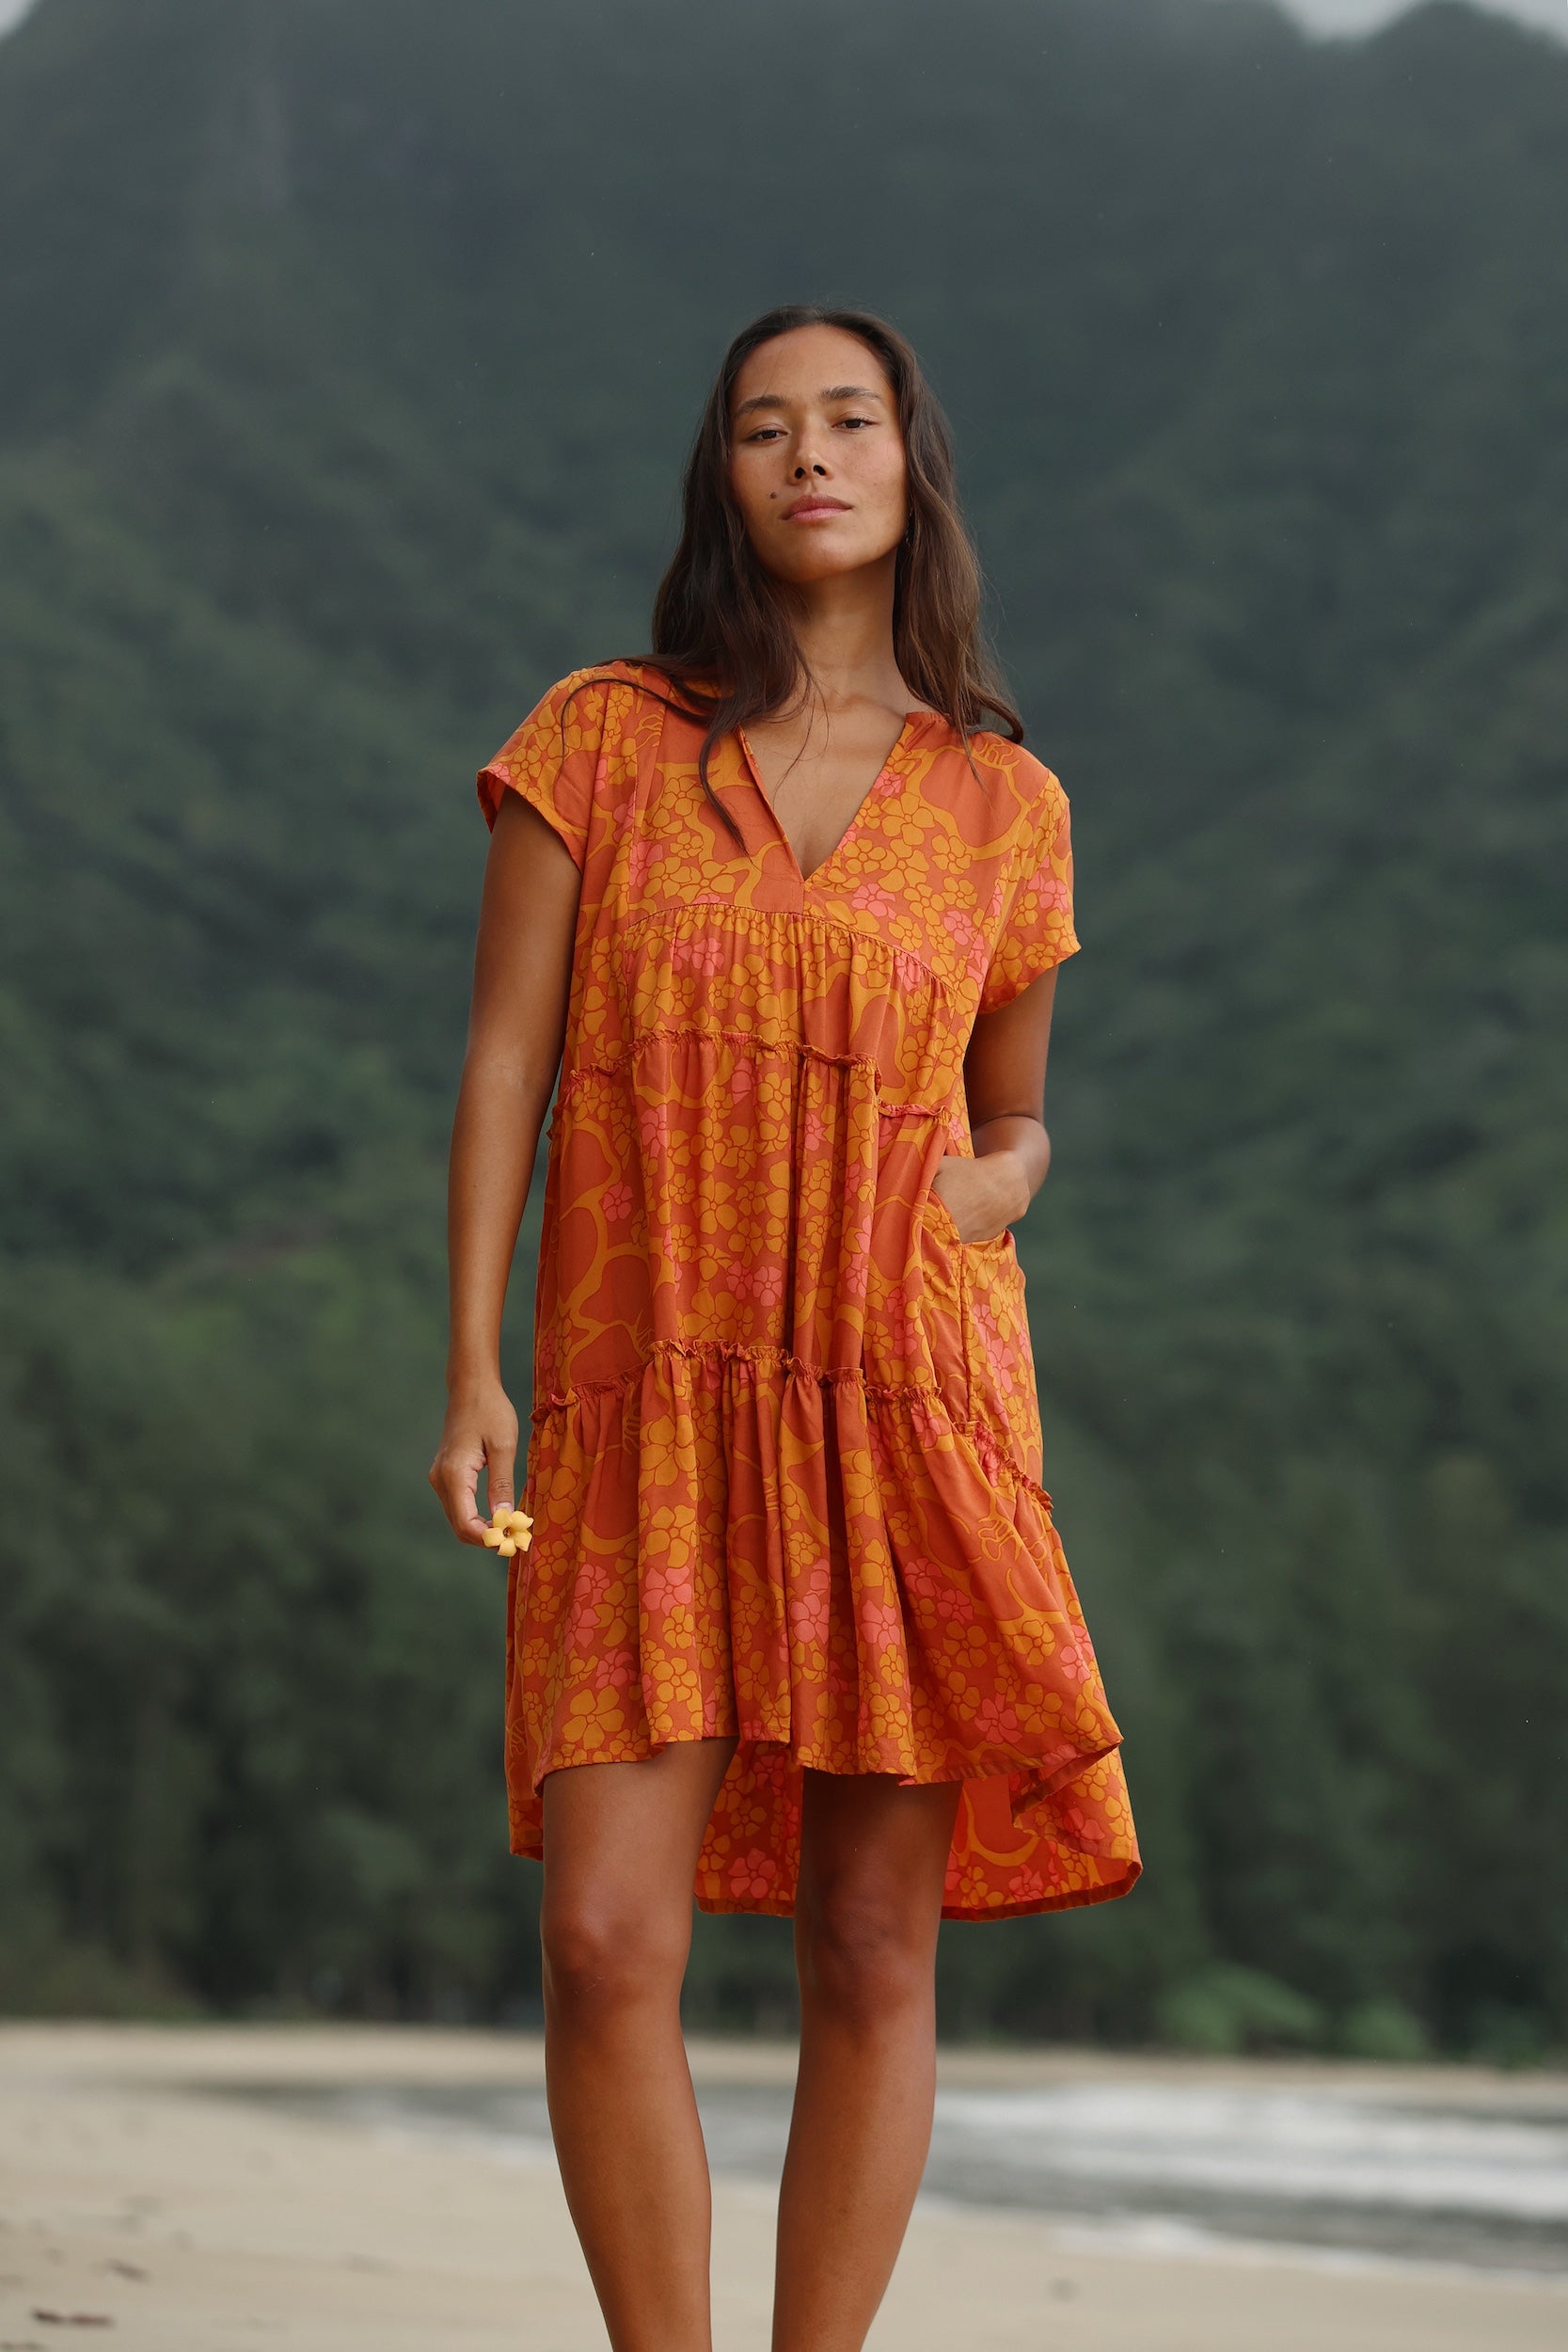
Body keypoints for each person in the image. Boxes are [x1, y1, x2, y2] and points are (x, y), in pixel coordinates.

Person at [429, 304, 1140, 2352]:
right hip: (645, 1397)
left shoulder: (1009, 802)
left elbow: (1017, 1119)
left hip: (903, 1404)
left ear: (913, 462)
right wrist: (471, 1358)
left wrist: (988, 1189)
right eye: (763, 424)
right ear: (719, 475)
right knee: (601, 1929)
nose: (806, 452)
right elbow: (502, 1066)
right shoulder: (597, 741)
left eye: (847, 418)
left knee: (866, 1938)